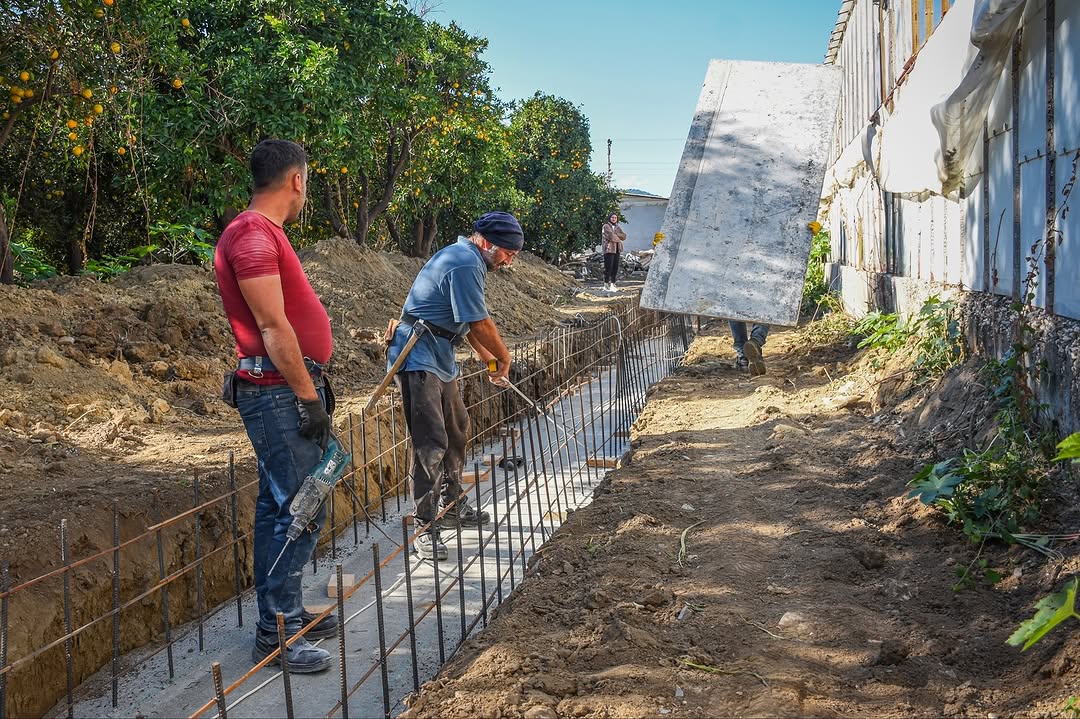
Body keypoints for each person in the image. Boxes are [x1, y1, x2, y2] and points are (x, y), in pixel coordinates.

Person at [215, 139, 336, 673]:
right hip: (277, 391)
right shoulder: (252, 234)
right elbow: (270, 326)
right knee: (305, 506)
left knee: (279, 507)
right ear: (296, 180)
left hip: (280, 388)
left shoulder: (263, 234)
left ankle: (280, 614)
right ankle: (278, 629)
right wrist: (308, 398)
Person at [386, 211, 520, 560]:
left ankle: (452, 503)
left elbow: (462, 318)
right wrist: (502, 357)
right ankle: (425, 526)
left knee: (457, 429)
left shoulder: (469, 260)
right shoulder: (464, 262)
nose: (509, 260)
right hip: (416, 355)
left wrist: (483, 356)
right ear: (488, 243)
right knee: (431, 440)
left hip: (440, 352)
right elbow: (478, 321)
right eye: (508, 252)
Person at [601, 212, 626, 292]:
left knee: (615, 267)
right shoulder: (606, 226)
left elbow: (624, 236)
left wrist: (616, 234)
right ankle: (606, 284)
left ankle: (612, 284)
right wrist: (618, 236)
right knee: (608, 267)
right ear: (609, 218)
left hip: (617, 249)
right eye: (612, 217)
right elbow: (611, 237)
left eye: (615, 218)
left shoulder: (617, 227)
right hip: (609, 249)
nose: (614, 219)